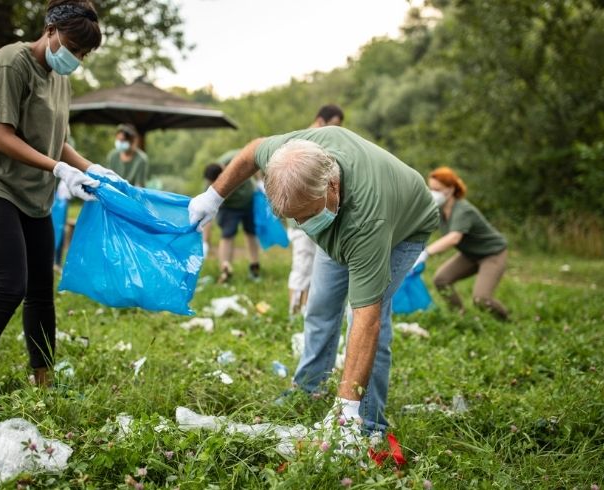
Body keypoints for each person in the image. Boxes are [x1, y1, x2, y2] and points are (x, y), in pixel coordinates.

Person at [188, 126, 438, 447]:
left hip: (405, 226)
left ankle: (367, 421)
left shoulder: (367, 224)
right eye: (295, 219)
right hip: (341, 215)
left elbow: (367, 319)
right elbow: (252, 150)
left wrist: (346, 411)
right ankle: (309, 389)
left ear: (332, 186)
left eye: (307, 215)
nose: (303, 226)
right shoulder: (292, 155)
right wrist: (213, 196)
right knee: (320, 306)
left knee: (368, 317)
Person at [0, 0, 117, 418]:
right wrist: (58, 168)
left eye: (85, 53)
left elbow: (55, 137)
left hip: (32, 194)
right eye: (73, 46)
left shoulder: (60, 78)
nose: (76, 58)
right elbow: (0, 136)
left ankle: (45, 385)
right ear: (51, 30)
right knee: (7, 287)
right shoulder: (10, 63)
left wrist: (92, 169)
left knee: (41, 290)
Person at [413, 166, 509, 320]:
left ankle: (506, 321)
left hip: (492, 254)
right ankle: (459, 316)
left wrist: (426, 252)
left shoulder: (463, 210)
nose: (433, 192)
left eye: (437, 189)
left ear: (450, 189)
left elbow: (453, 238)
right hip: (470, 254)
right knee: (441, 280)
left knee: (481, 299)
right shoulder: (438, 209)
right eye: (431, 188)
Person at [288, 104, 345, 316]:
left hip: (317, 215)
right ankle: (293, 313)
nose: (336, 131)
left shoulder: (319, 141)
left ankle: (305, 309)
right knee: (302, 264)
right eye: (334, 125)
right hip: (302, 218)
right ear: (321, 121)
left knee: (313, 266)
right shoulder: (303, 143)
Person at [202, 151, 261, 283]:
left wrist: (259, 181)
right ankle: (225, 272)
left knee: (251, 233)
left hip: (248, 201)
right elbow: (206, 214)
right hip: (229, 208)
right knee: (227, 236)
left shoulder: (233, 157)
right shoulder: (209, 184)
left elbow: (254, 158)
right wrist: (205, 242)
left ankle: (254, 268)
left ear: (223, 171)